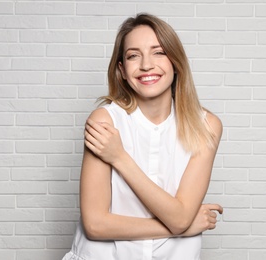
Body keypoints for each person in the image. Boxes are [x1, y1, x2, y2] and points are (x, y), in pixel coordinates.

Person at [63, 13, 223, 260]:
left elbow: (180, 217)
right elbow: (95, 225)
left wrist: (119, 158)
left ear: (176, 62)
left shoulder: (207, 125)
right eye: (133, 55)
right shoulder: (105, 121)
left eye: (158, 52)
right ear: (122, 70)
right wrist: (182, 229)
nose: (146, 64)